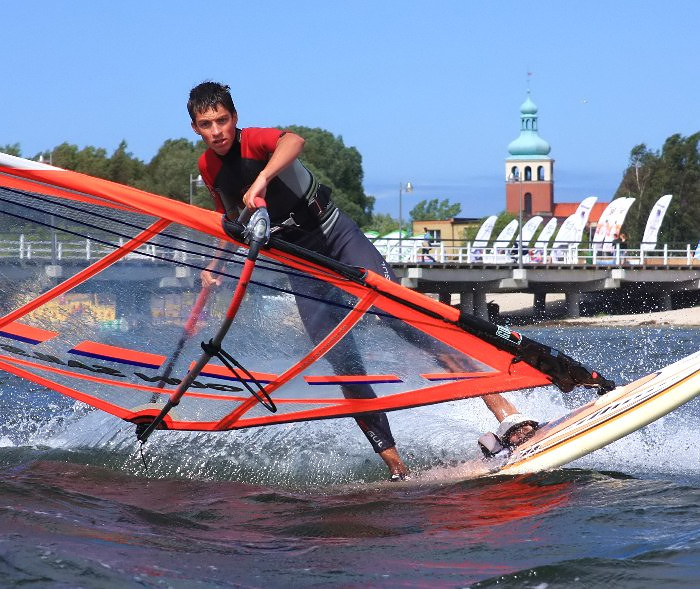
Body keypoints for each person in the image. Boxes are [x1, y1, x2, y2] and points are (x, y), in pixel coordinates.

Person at [186, 81, 535, 476]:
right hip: (299, 261)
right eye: (206, 124)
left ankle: (506, 414)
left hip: (335, 234)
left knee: (404, 319)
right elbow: (233, 221)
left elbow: (294, 141)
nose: (217, 131)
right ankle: (398, 470)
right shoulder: (208, 167)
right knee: (343, 360)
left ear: (235, 118)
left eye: (222, 120)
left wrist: (263, 178)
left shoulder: (257, 141)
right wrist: (215, 266)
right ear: (196, 128)